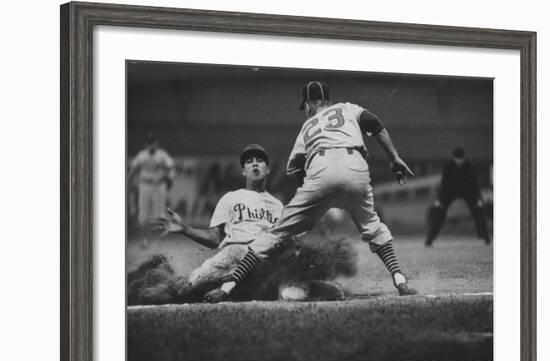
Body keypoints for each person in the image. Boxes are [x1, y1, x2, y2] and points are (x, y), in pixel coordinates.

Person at [204, 80, 417, 303]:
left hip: (321, 171)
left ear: (308, 105)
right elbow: (374, 123)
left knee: (273, 235)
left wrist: (308, 208)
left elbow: (296, 166)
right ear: (329, 101)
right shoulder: (348, 108)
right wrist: (394, 158)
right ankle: (400, 280)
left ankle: (226, 289)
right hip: (355, 168)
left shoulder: (307, 126)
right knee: (373, 227)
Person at [151, 144, 284, 302]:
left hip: (261, 262)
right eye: (249, 161)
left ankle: (228, 289)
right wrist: (184, 229)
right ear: (243, 171)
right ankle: (154, 286)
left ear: (268, 169)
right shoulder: (231, 198)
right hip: (230, 257)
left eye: (260, 160)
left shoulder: (278, 206)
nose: (255, 163)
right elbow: (215, 239)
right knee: (184, 290)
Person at [425, 147, 491, 246]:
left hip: (468, 191)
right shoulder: (448, 166)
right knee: (438, 212)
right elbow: (445, 183)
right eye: (457, 158)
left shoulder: (470, 166)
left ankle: (485, 237)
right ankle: (430, 239)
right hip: (450, 191)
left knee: (479, 211)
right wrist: (440, 200)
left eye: (461, 159)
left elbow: (474, 184)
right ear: (454, 158)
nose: (459, 161)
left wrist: (478, 199)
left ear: (464, 158)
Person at [128, 132, 175, 248]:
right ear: (146, 144)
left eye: (153, 142)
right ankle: (144, 240)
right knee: (143, 216)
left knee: (159, 216)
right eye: (149, 143)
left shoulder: (162, 155)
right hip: (145, 185)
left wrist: (169, 179)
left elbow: (171, 167)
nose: (151, 145)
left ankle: (158, 243)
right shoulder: (142, 155)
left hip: (159, 186)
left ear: (156, 143)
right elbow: (133, 170)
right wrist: (128, 182)